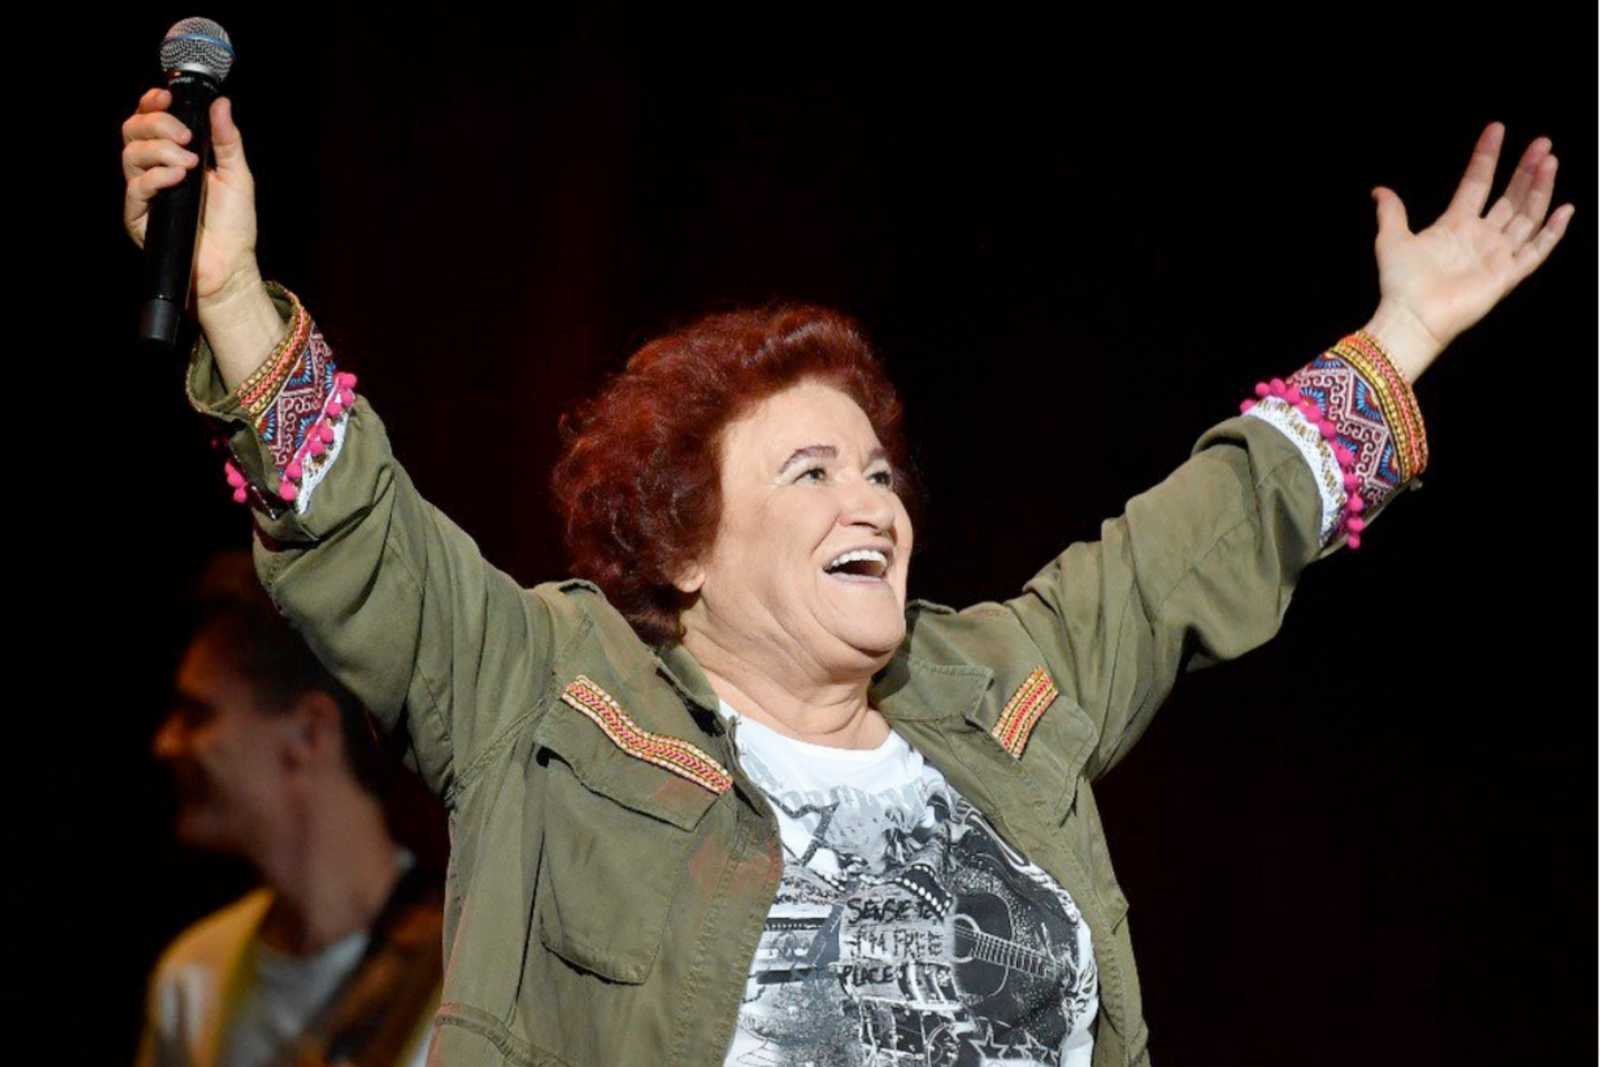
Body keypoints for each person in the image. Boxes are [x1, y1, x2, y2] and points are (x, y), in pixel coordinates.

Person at [121, 86, 1570, 1067]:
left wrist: (1408, 335)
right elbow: (359, 532)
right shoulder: (549, 693)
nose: (869, 491)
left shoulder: (1001, 687)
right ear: (683, 552)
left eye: (876, 466)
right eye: (808, 471)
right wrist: (235, 301)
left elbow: (1207, 527)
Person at [135, 552, 444, 1067]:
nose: (166, 743)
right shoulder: (190, 980)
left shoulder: (464, 977)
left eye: (197, 715)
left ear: (308, 732)